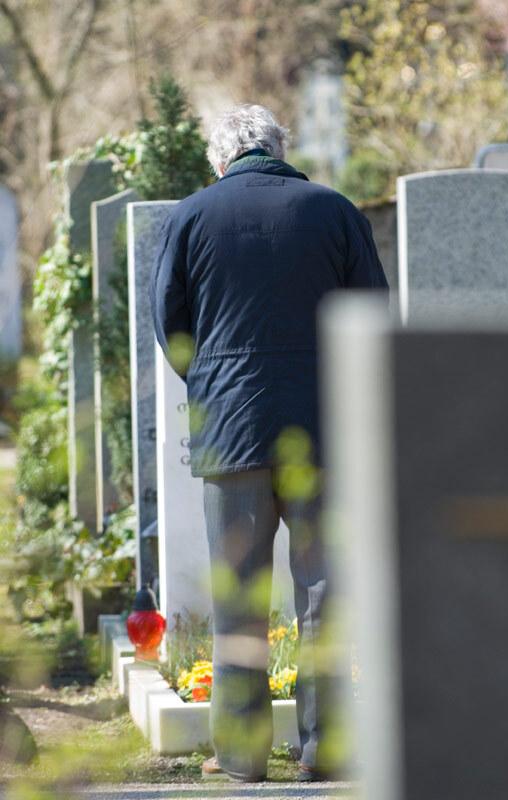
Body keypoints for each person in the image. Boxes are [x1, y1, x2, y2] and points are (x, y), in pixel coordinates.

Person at [149, 103, 388, 782]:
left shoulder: (191, 216)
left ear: (220, 160)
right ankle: (324, 749)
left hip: (231, 433)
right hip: (321, 430)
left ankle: (241, 756)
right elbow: (371, 312)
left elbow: (170, 322)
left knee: (239, 599)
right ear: (278, 148)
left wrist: (212, 385)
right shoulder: (333, 211)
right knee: (322, 593)